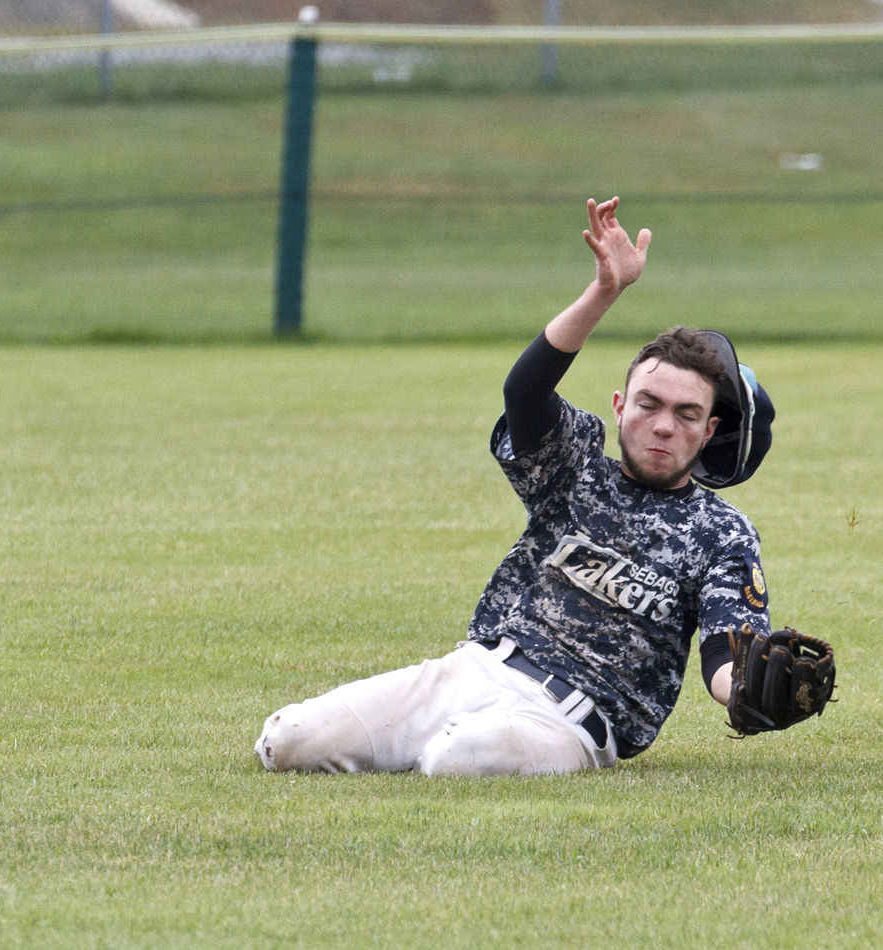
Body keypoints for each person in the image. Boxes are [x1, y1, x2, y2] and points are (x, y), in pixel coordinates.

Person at [256, 196, 781, 776]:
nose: (662, 425)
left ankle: (436, 749)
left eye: (686, 414)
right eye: (648, 404)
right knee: (286, 741)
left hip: (568, 722)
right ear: (619, 406)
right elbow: (524, 394)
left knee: (456, 758)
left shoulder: (721, 533)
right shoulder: (576, 467)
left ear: (709, 430)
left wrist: (746, 690)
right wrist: (604, 290)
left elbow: (725, 653)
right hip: (472, 672)